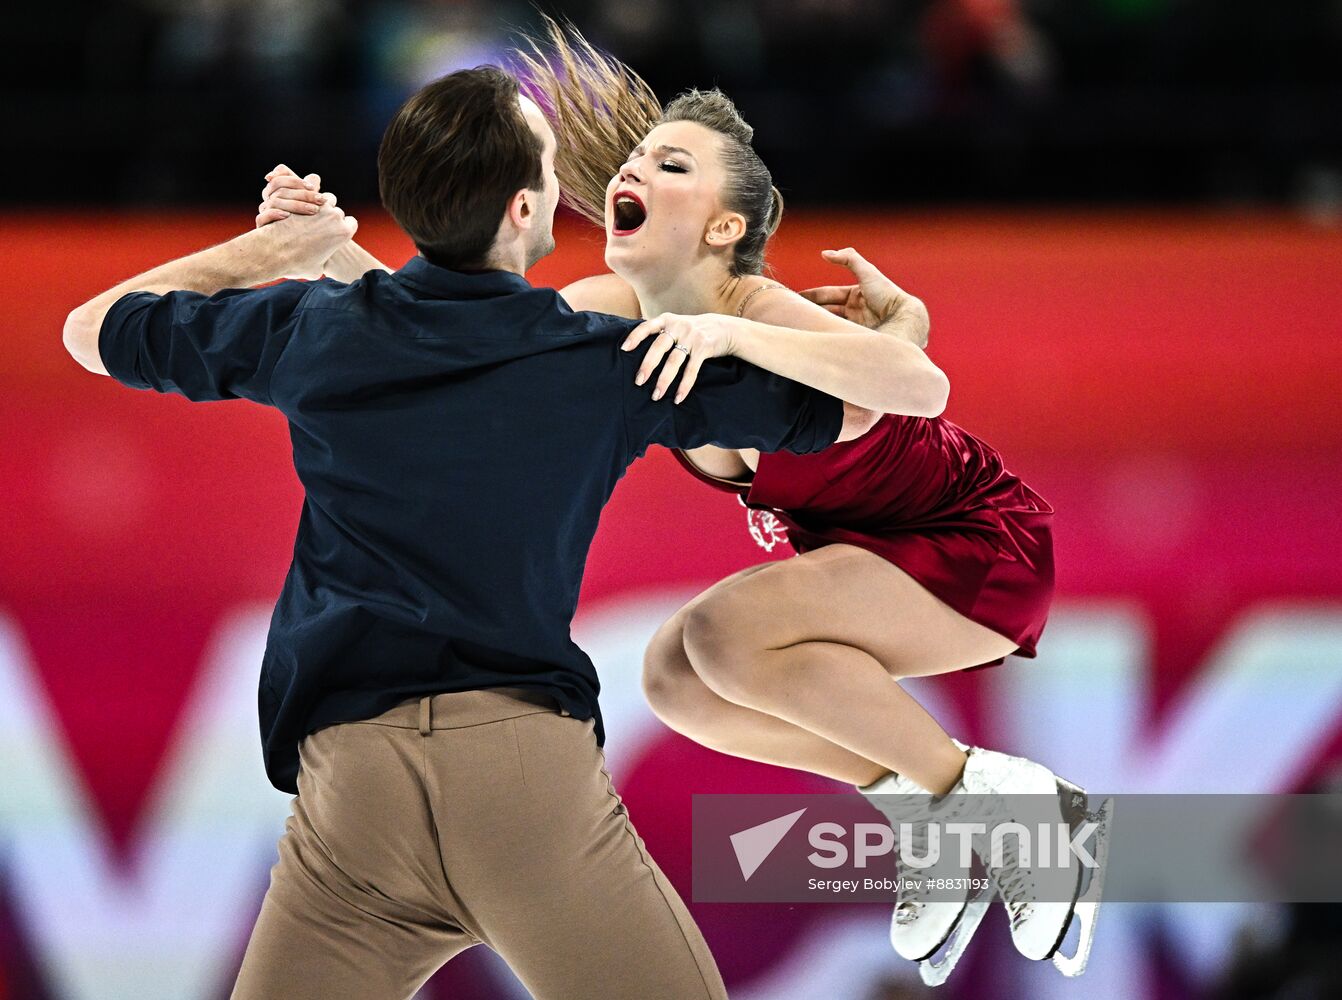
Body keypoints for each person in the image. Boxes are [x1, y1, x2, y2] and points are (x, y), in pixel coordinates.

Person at [257, 25, 1110, 984]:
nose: (634, 169)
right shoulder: (607, 312)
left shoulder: (755, 309)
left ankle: (1010, 805)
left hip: (977, 550)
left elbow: (920, 388)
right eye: (634, 159)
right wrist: (333, 256)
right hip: (871, 566)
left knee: (723, 634)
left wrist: (775, 326)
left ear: (722, 228)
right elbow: (451, 351)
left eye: (671, 163)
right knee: (673, 678)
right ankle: (923, 803)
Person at [62, 66, 911, 1000]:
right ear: (520, 210)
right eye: (548, 169)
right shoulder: (608, 362)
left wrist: (277, 252)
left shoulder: (318, 329)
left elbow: (91, 326)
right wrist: (855, 323)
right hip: (521, 790)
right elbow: (859, 411)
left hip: (352, 800)